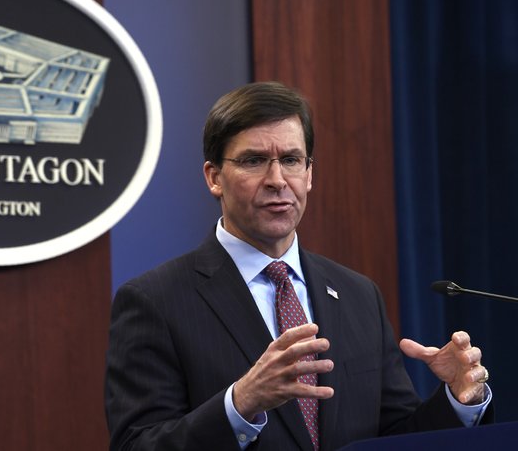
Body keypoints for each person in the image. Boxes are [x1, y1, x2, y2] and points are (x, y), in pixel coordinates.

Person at [104, 82, 493, 451]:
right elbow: (137, 444)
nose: (277, 180)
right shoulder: (156, 301)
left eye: (291, 160)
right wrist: (239, 405)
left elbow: (392, 437)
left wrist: (458, 401)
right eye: (254, 161)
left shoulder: (359, 295)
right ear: (214, 178)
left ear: (309, 174)